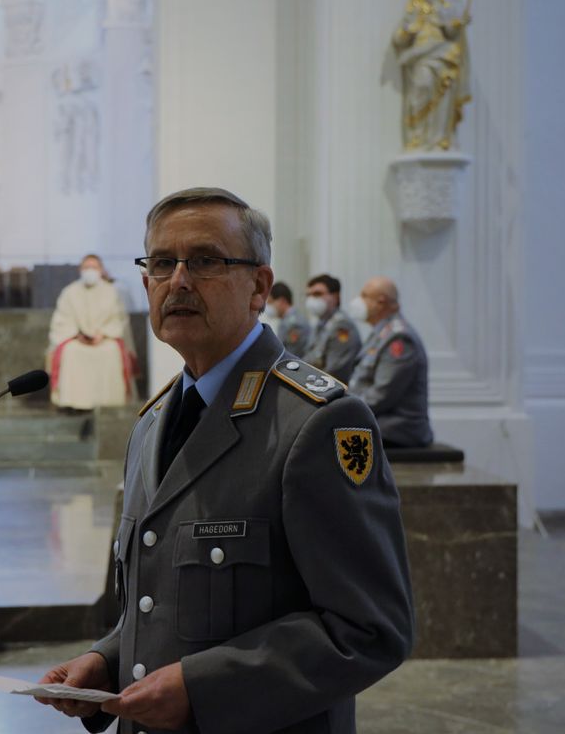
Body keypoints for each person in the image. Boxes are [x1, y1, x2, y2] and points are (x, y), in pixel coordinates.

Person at [37, 187, 413, 733]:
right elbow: (164, 598)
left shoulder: (315, 421)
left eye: (206, 261)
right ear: (146, 285)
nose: (180, 280)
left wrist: (203, 687)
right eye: (163, 263)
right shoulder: (152, 422)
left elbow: (371, 628)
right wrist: (108, 662)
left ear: (259, 286)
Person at [390, 0, 472, 152]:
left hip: (442, 53)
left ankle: (439, 137)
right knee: (424, 82)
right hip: (422, 56)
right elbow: (399, 38)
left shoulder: (441, 5)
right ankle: (418, 135)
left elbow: (449, 31)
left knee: (447, 84)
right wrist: (409, 28)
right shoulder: (417, 6)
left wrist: (459, 24)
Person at [347, 277, 433, 448]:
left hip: (398, 430)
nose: (358, 300)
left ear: (380, 302)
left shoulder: (399, 339)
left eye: (364, 296)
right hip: (381, 424)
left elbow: (382, 394)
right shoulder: (381, 333)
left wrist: (345, 410)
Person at [47, 254, 135, 410]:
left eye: (94, 268)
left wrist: (103, 334)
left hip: (105, 340)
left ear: (101, 270)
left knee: (111, 351)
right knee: (70, 351)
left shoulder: (112, 292)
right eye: (86, 267)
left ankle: (110, 403)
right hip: (77, 340)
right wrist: (77, 335)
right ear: (80, 270)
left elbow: (119, 320)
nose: (90, 271)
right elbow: (61, 320)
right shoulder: (69, 292)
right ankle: (73, 404)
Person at [302, 273, 362, 382]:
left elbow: (334, 374)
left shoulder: (342, 327)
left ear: (335, 297)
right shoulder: (320, 324)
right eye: (308, 295)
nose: (311, 299)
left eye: (317, 294)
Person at [266, 280, 310, 357]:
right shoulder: (286, 321)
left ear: (282, 301)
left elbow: (292, 354)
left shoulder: (294, 323)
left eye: (270, 302)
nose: (268, 306)